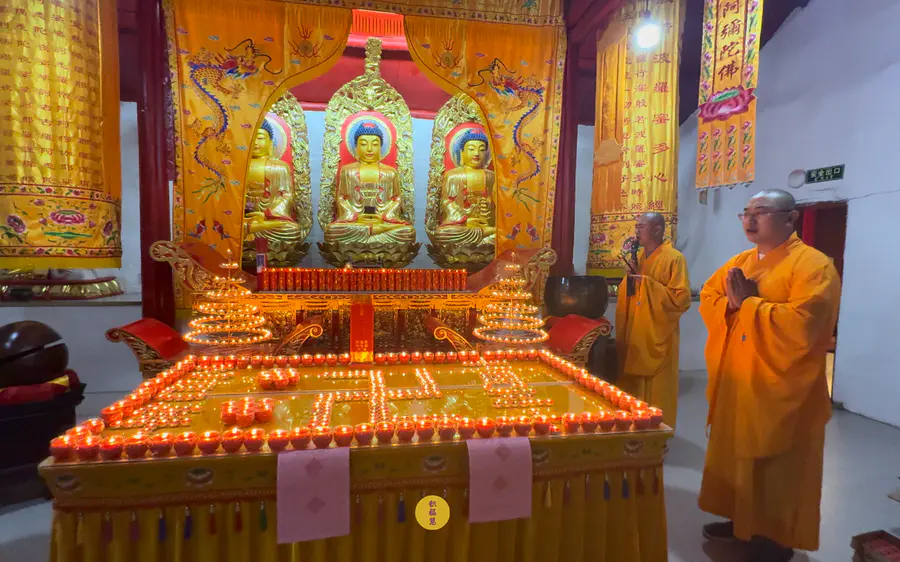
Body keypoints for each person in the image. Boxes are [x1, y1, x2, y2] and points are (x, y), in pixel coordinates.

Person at [698, 189, 841, 562]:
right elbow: (710, 297)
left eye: (760, 212)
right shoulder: (740, 261)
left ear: (790, 218)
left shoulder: (813, 265)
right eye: (746, 212)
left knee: (777, 465)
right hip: (739, 379)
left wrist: (748, 304)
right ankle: (741, 523)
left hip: (782, 386)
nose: (750, 219)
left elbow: (806, 324)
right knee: (737, 455)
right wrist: (733, 306)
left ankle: (776, 539)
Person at [615, 212, 691, 428]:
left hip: (658, 331)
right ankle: (633, 426)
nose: (636, 231)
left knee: (657, 386)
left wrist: (646, 284)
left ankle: (658, 430)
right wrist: (631, 280)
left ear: (657, 229)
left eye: (641, 227)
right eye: (636, 226)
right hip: (637, 329)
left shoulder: (674, 258)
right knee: (632, 383)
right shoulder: (639, 257)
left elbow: (681, 299)